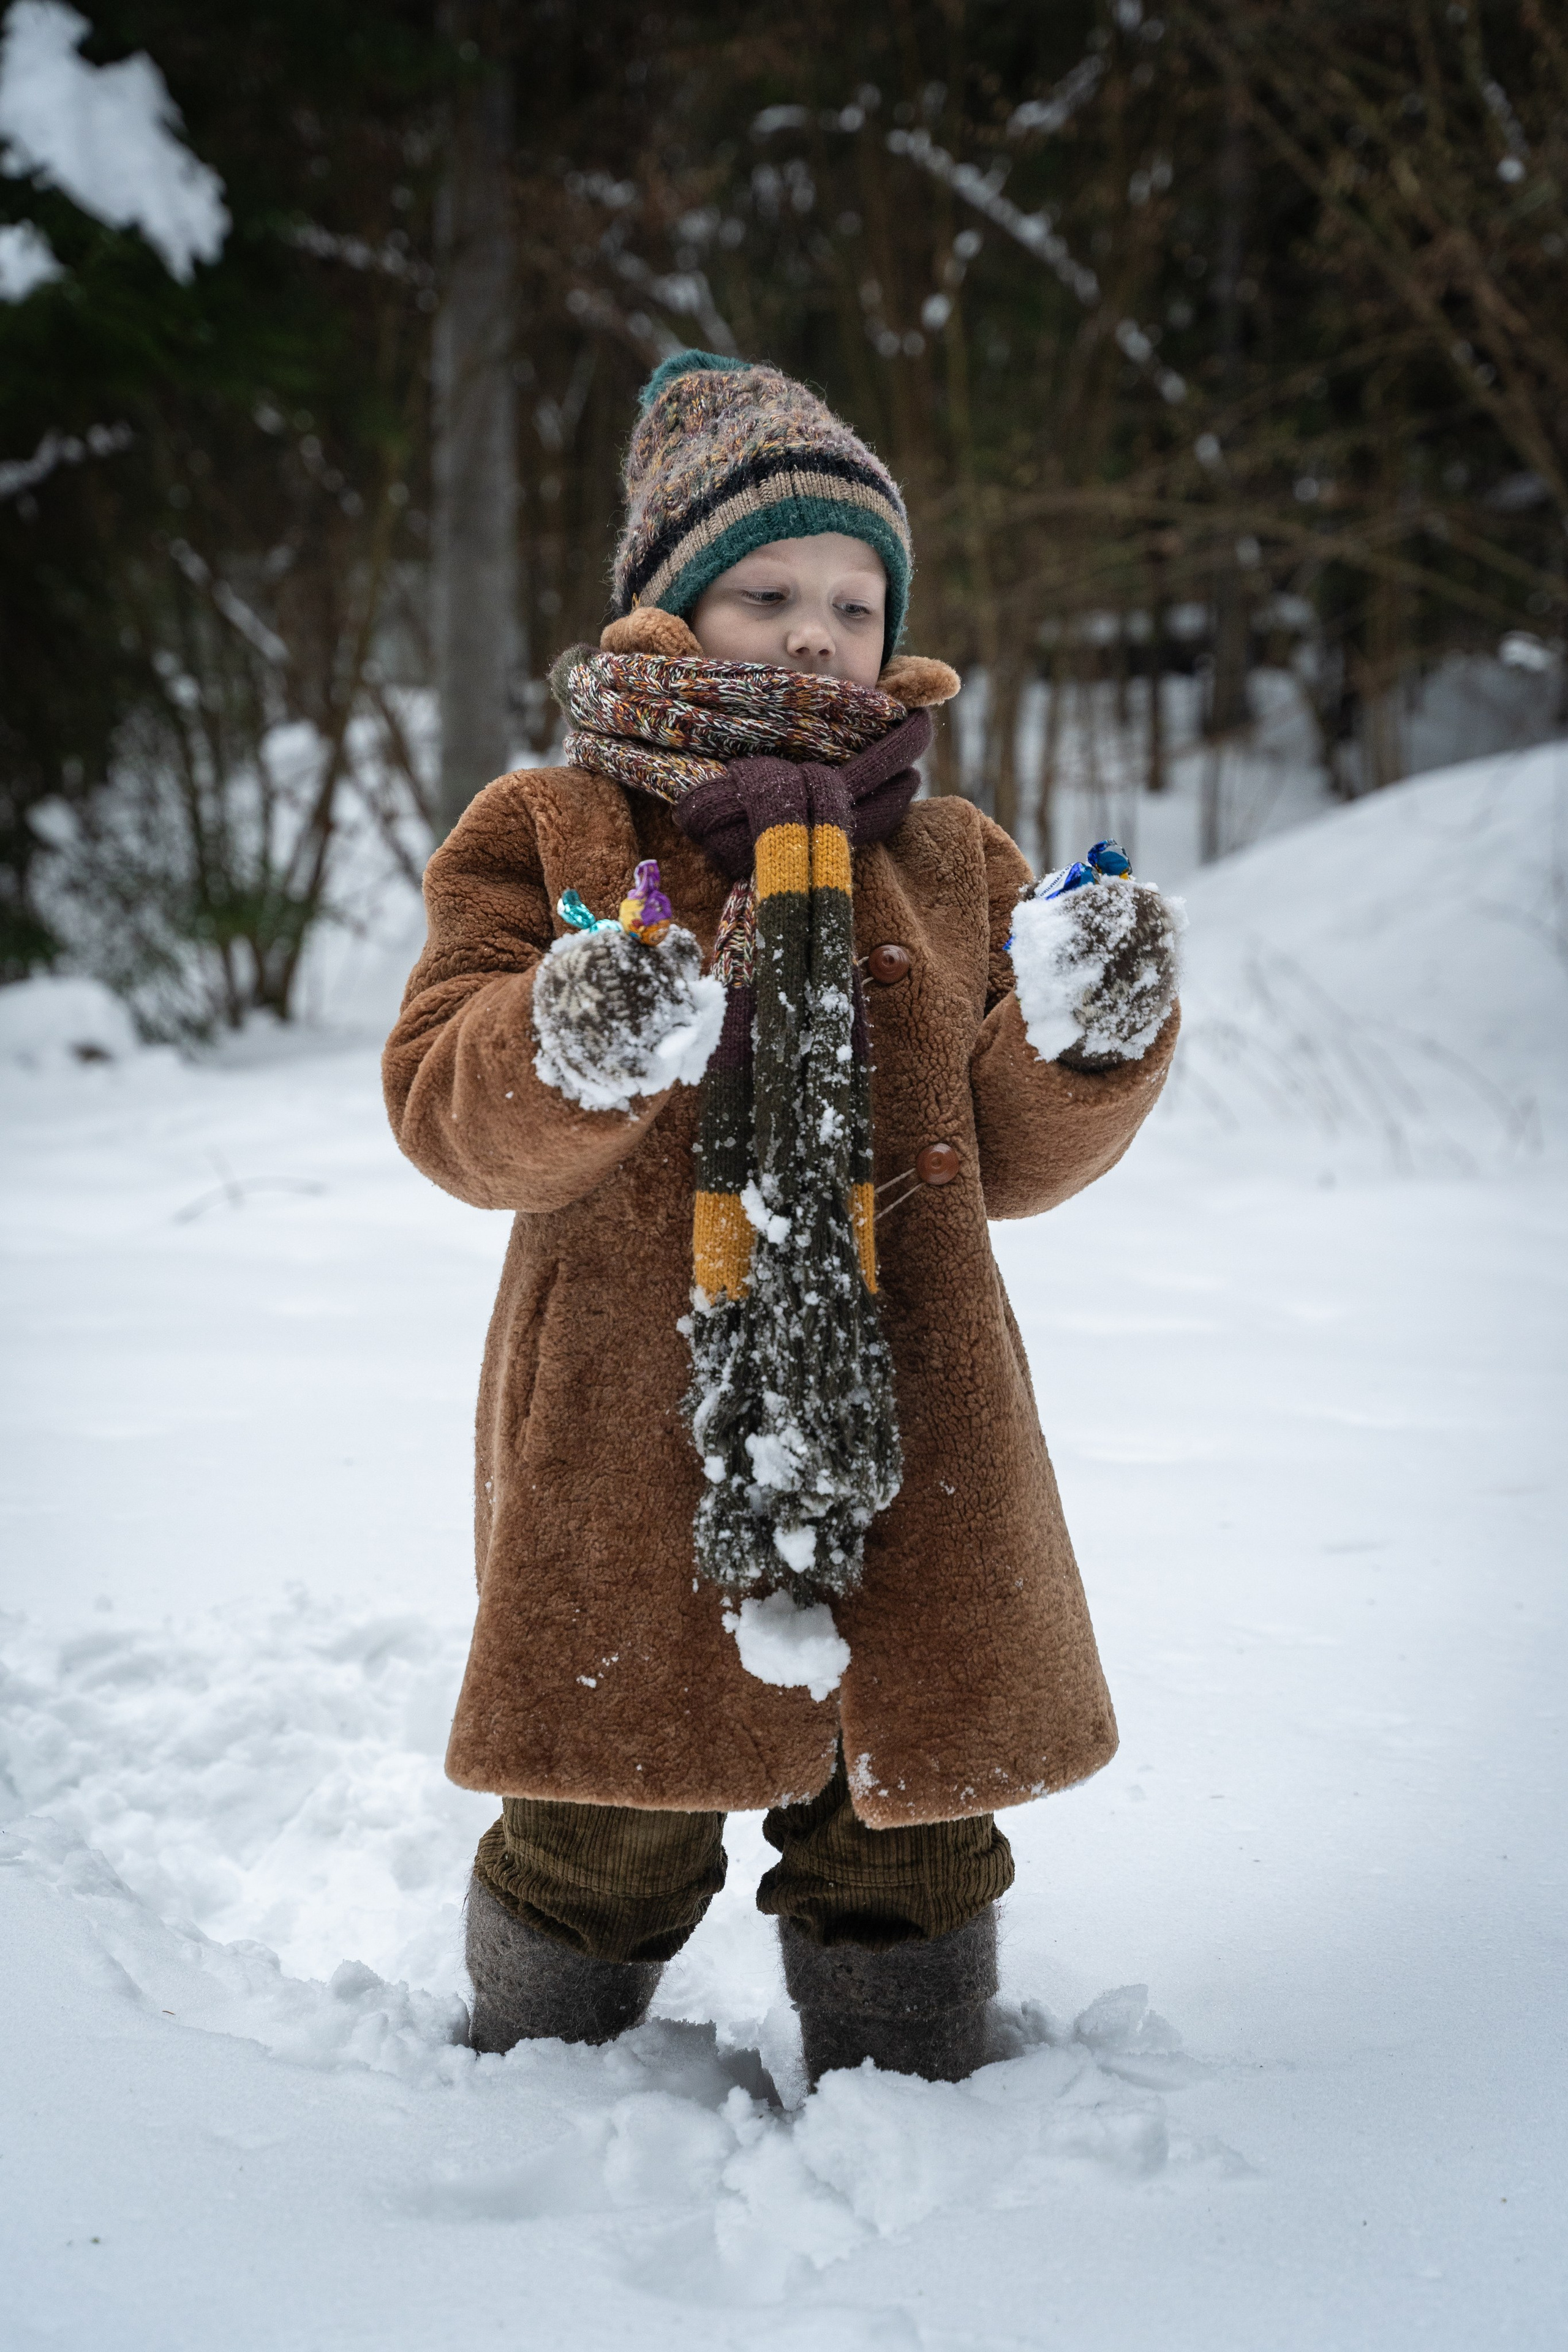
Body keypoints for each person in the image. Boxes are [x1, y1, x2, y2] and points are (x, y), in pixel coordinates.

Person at [383, 350, 1181, 2086]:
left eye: (850, 596)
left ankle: (918, 2107)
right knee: (608, 1801)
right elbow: (449, 1110)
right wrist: (570, 1036)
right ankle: (523, 2098)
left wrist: (1087, 1036)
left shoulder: (955, 857)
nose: (813, 630)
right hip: (634, 1421)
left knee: (912, 1810)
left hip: (917, 1419)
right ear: (668, 613)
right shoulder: (560, 831)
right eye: (764, 592)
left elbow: (1014, 1156)